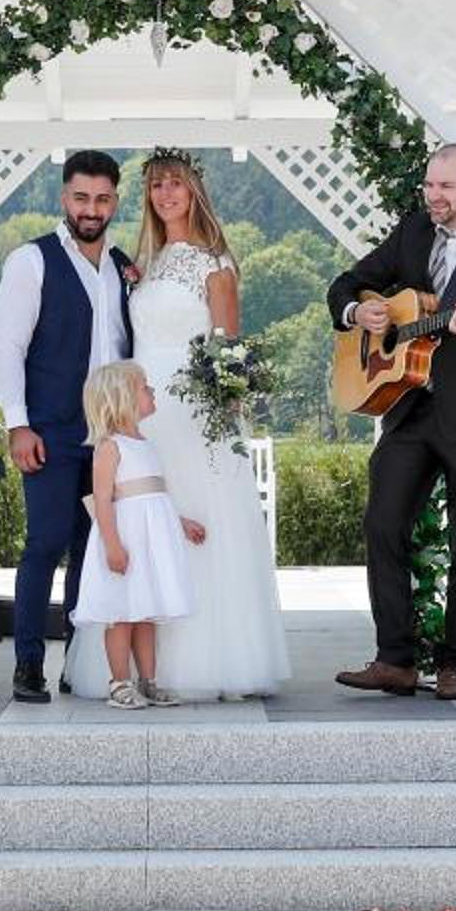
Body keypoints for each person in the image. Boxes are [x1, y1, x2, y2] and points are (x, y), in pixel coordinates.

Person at [327, 143, 456, 701]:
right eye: (429, 185)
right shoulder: (413, 233)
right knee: (382, 523)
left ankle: (451, 662)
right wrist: (360, 311)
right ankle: (395, 658)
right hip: (408, 410)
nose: (434, 196)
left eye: (446, 186)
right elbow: (345, 284)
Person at [96, 146, 286, 700]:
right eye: (156, 185)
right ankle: (137, 666)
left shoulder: (215, 263)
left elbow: (228, 348)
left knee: (201, 520)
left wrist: (223, 411)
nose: (165, 194)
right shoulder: (148, 262)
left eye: (175, 183)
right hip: (144, 409)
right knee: (143, 519)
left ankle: (210, 660)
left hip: (195, 409)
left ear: (195, 190)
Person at [0, 151, 135, 703]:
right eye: (81, 198)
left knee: (92, 549)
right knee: (45, 543)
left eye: (101, 199)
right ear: (63, 198)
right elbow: (9, 348)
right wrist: (17, 425)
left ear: (114, 202)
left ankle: (79, 663)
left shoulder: (121, 266)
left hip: (109, 438)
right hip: (50, 429)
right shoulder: (30, 261)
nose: (90, 209)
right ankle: (28, 664)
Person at [71, 359, 205, 708]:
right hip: (125, 542)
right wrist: (113, 546)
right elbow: (103, 500)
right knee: (121, 614)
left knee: (146, 613)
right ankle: (119, 683)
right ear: (123, 399)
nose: (152, 391)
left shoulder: (145, 443)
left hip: (150, 545)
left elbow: (153, 497)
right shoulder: (110, 446)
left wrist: (180, 522)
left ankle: (148, 681)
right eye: (145, 388)